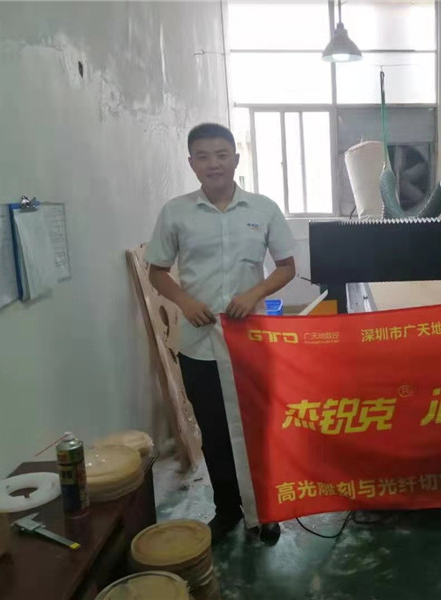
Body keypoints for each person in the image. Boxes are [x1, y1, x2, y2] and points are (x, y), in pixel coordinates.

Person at [146, 123, 296, 545]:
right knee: (214, 433)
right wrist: (184, 301)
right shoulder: (175, 212)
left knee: (257, 431)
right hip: (199, 346)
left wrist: (254, 294)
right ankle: (228, 509)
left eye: (221, 154)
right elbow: (156, 271)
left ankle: (265, 510)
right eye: (203, 156)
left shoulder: (263, 209)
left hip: (251, 346)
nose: (213, 164)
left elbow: (287, 267)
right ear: (191, 163)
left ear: (236, 158)